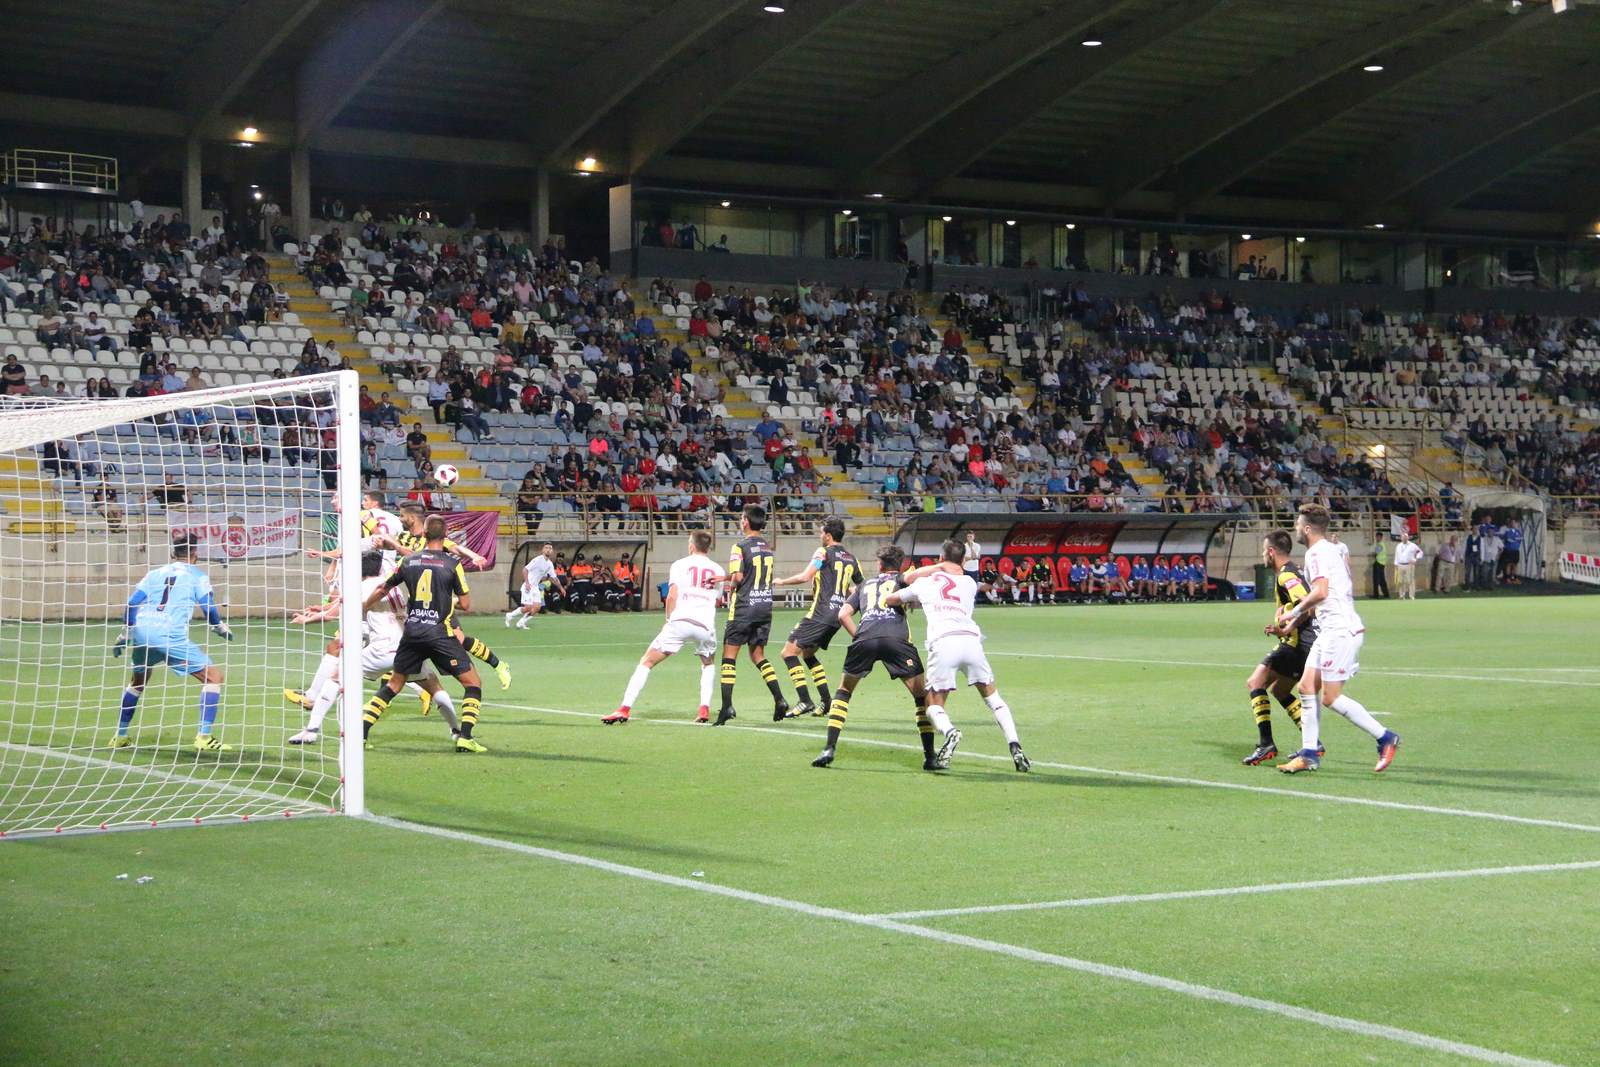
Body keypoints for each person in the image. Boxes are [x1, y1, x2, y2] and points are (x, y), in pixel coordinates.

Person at [286, 551, 460, 746]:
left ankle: (311, 731)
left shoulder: (361, 588)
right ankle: (456, 731)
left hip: (382, 649)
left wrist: (307, 619)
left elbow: (333, 614)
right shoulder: (393, 586)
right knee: (433, 686)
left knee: (336, 678)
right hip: (407, 647)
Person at [1277, 504, 1400, 775]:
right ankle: (1309, 753)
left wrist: (1292, 612)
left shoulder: (1316, 553)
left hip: (1340, 632)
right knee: (1307, 686)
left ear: (1307, 528)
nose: (1296, 528)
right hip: (1329, 629)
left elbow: (1320, 592)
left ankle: (1385, 737)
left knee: (1330, 698)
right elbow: (1319, 600)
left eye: (1298, 524)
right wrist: (1291, 625)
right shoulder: (1329, 551)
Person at [892, 541, 1031, 772]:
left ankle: (950, 732)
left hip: (944, 641)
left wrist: (928, 577)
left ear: (940, 557)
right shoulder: (968, 582)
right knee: (993, 698)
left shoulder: (926, 582)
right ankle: (1015, 745)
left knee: (933, 705)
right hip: (971, 640)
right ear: (964, 561)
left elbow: (897, 593)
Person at [360, 516, 487, 753]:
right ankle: (465, 737)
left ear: (424, 534)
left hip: (412, 632)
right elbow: (467, 604)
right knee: (473, 683)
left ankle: (362, 734)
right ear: (445, 534)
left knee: (394, 685)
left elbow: (382, 588)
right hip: (439, 633)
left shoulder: (409, 561)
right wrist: (444, 600)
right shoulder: (452, 564)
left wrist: (364, 606)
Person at [810, 546, 935, 770]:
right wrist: (943, 566)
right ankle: (930, 757)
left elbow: (842, 614)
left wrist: (859, 636)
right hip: (895, 639)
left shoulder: (863, 585)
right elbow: (917, 576)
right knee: (921, 696)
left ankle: (829, 748)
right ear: (901, 564)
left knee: (844, 691)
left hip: (865, 637)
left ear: (879, 565)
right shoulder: (900, 578)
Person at [110, 533, 233, 752]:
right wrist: (219, 627)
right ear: (195, 553)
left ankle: (119, 736)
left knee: (137, 683)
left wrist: (125, 635)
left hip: (143, 632)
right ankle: (204, 737)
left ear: (172, 554)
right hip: (169, 635)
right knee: (213, 677)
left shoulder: (155, 573)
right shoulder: (197, 576)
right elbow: (208, 608)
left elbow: (131, 604)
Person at [379, 502, 509, 689]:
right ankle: (421, 689)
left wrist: (474, 556)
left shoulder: (428, 540)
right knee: (408, 647)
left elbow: (454, 548)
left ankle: (498, 665)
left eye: (401, 516)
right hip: (417, 604)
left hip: (438, 605)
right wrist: (380, 540)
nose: (399, 519)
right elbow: (387, 543)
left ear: (413, 518)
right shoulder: (403, 537)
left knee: (457, 640)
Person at [603, 531, 723, 724]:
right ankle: (704, 709)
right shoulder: (718, 570)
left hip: (680, 621)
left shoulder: (679, 565)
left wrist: (668, 620)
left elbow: (672, 595)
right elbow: (717, 600)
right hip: (705, 624)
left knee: (647, 661)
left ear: (691, 544)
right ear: (708, 547)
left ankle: (624, 708)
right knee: (708, 664)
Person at [772, 517, 863, 717]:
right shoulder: (851, 558)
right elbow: (860, 588)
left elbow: (805, 576)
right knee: (808, 654)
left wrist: (781, 581)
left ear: (828, 536)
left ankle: (805, 700)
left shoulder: (823, 552)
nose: (820, 536)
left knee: (788, 653)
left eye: (821, 533)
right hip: (838, 615)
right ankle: (826, 701)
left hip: (820, 613)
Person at [1241, 531, 1314, 766]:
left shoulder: (1286, 575)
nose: (1263, 554)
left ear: (1271, 551)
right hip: (1302, 645)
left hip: (1294, 644)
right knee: (1281, 690)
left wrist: (1286, 625)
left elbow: (1307, 604)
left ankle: (1266, 745)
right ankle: (1313, 743)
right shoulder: (1292, 571)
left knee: (1255, 682)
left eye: (1264, 550)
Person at [714, 504, 788, 724]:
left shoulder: (739, 546)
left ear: (745, 521)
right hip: (764, 606)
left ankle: (727, 707)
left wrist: (728, 584)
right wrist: (725, 578)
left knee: (729, 657)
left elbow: (738, 577)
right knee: (758, 656)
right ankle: (780, 698)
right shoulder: (767, 547)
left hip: (744, 607)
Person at [506, 542, 565, 628]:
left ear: (552, 551)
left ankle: (521, 622)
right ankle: (510, 615)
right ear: (543, 550)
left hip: (535, 587)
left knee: (537, 608)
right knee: (528, 607)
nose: (548, 550)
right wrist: (527, 583)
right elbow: (525, 570)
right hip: (528, 586)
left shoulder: (549, 564)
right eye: (546, 548)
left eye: (550, 548)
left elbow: (554, 578)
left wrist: (561, 588)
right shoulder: (537, 560)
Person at [1394, 531, 1423, 600]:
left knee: (1410, 581)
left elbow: (1420, 552)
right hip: (1400, 565)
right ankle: (1401, 595)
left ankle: (1411, 596)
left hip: (1409, 565)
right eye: (1402, 537)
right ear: (1401, 538)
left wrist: (1415, 559)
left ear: (1408, 538)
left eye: (1405, 537)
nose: (1404, 538)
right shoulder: (1398, 545)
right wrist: (1396, 564)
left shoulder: (1412, 545)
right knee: (1401, 581)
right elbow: (1396, 556)